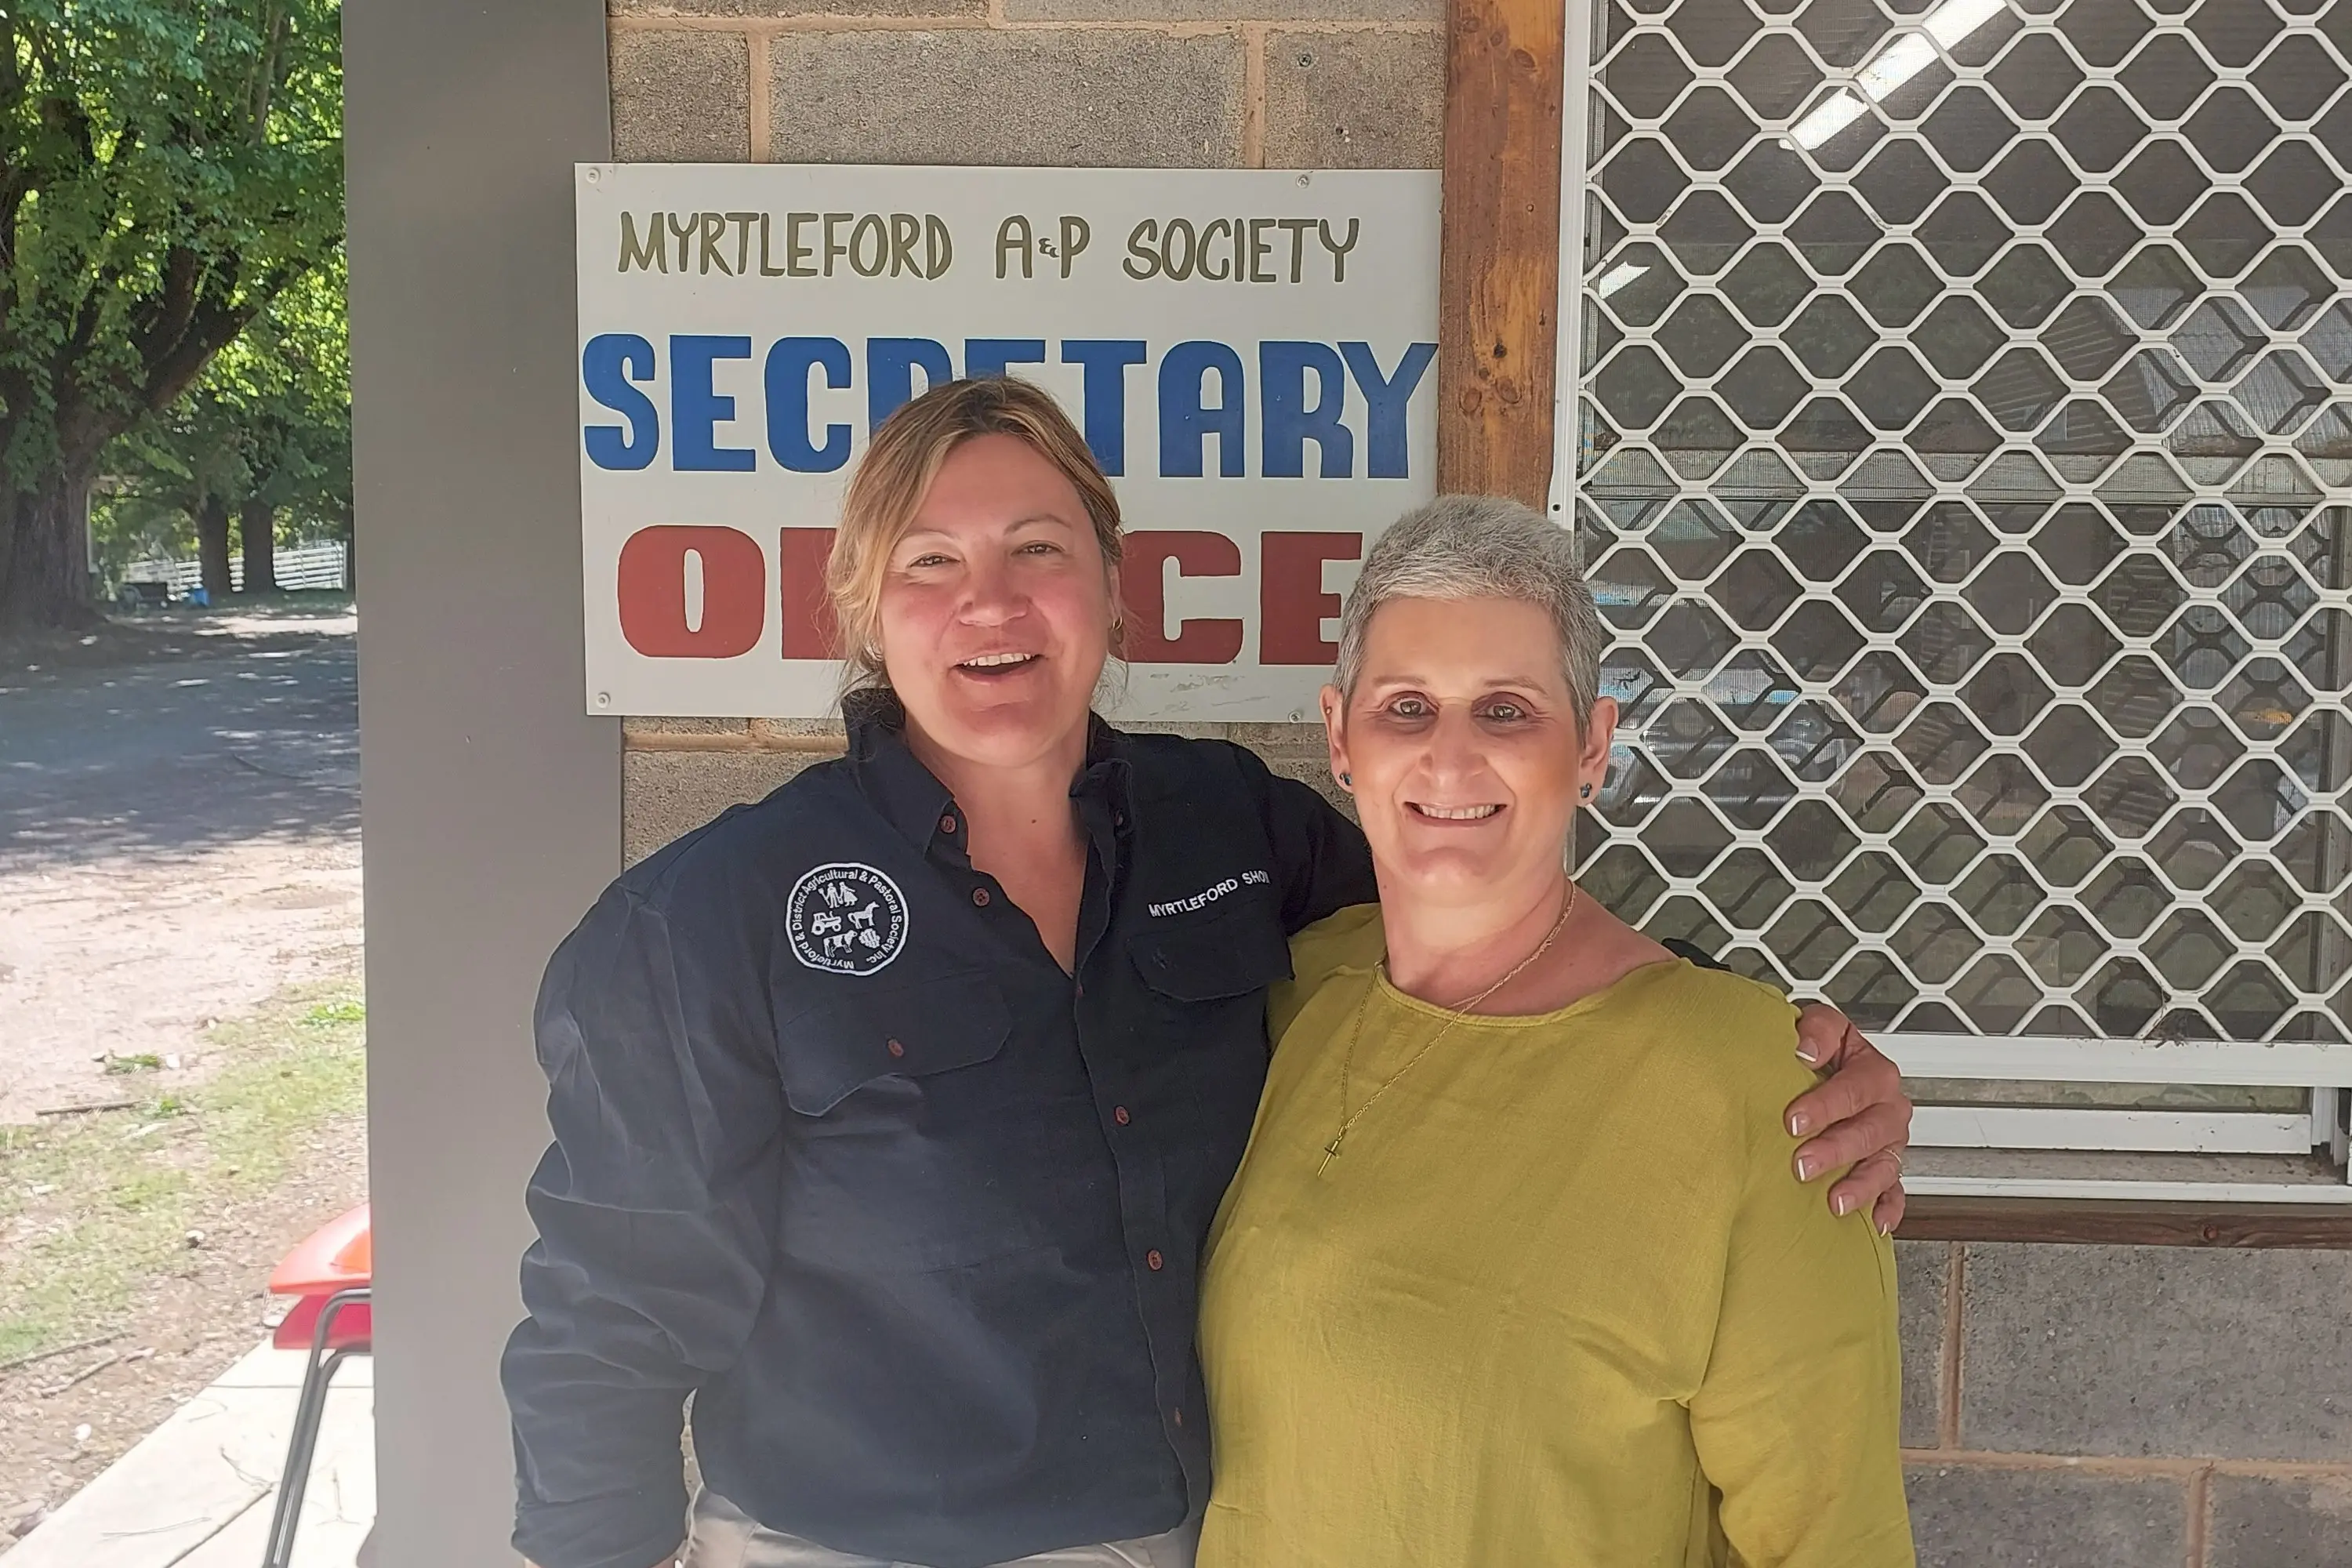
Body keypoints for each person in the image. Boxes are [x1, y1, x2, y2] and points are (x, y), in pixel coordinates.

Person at [501, 379, 1914, 1568]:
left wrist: (1769, 1049)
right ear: (867, 609)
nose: (989, 603)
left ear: (1115, 589)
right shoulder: (711, 919)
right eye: (929, 561)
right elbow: (602, 1330)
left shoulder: (1223, 829)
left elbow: (1484, 901)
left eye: (1038, 550)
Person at [1196, 495, 1914, 1568]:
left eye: (1505, 711)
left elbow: (1832, 1541)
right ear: (1340, 737)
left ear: (1591, 744)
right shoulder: (1290, 994)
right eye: (1405, 708)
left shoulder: (1756, 1093)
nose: (1449, 759)